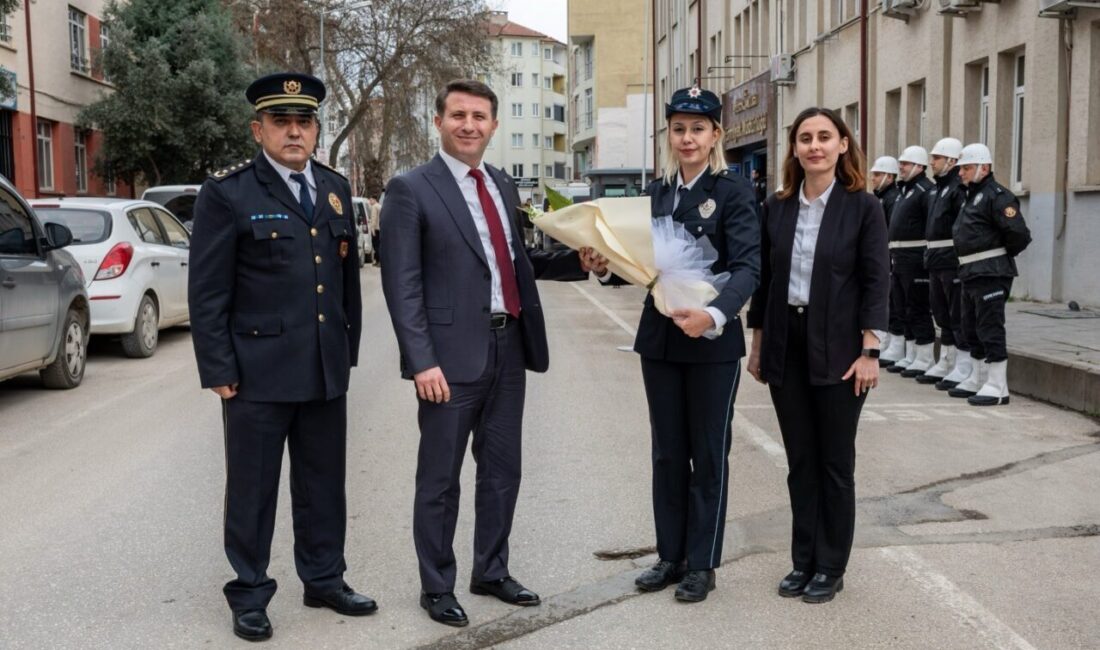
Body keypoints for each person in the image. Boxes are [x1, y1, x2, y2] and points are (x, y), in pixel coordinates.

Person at [379, 79, 603, 628]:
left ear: (494, 126)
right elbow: (401, 283)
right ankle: (437, 587)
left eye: (480, 116)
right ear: (439, 121)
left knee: (502, 471)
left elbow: (518, 262)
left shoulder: (500, 185)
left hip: (509, 348)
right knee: (440, 479)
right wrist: (421, 360)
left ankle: (492, 570)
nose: (469, 125)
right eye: (458, 115)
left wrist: (583, 262)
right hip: (449, 360)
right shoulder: (410, 189)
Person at [188, 72, 375, 642]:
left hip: (322, 369)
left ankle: (324, 579)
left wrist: (346, 356)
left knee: (324, 485)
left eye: (304, 122)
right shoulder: (228, 193)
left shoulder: (335, 187)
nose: (294, 132)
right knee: (253, 489)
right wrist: (219, 370)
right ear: (258, 128)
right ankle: (249, 593)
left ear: (317, 129)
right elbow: (209, 291)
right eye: (281, 122)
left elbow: (346, 286)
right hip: (256, 376)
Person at [598, 85, 760, 603]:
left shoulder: (733, 191)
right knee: (668, 453)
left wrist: (713, 313)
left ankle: (702, 563)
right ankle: (670, 555)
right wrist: (606, 267)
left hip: (712, 343)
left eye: (698, 128)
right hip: (662, 342)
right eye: (678, 128)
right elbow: (640, 265)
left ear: (716, 135)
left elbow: (749, 266)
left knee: (708, 454)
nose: (687, 138)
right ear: (668, 133)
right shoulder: (659, 192)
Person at [746, 107, 889, 604]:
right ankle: (802, 560)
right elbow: (764, 281)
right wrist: (758, 343)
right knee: (800, 462)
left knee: (834, 463)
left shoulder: (863, 206)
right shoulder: (778, 207)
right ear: (794, 149)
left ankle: (831, 565)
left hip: (842, 348)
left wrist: (871, 349)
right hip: (788, 341)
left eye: (825, 137)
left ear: (843, 145)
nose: (814, 146)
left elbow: (876, 280)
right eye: (805, 138)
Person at [948, 143, 1031, 405]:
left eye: (966, 168)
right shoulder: (971, 195)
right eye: (960, 168)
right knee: (970, 327)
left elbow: (1018, 234)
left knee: (990, 327)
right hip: (971, 272)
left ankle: (997, 386)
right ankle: (978, 377)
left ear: (984, 167)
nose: (960, 173)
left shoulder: (998, 196)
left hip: (991, 273)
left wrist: (996, 258)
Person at [918, 138, 970, 388]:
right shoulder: (938, 189)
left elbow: (962, 227)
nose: (931, 163)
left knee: (956, 313)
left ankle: (963, 363)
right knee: (941, 313)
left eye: (936, 158)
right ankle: (947, 360)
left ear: (951, 161)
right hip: (936, 260)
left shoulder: (958, 188)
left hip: (951, 261)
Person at [885, 146, 936, 378]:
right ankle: (911, 352)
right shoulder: (906, 191)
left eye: (905, 163)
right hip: (900, 258)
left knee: (917, 308)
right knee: (902, 306)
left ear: (918, 165)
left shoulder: (925, 191)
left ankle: (924, 356)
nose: (901, 168)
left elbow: (930, 226)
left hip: (916, 259)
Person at [869, 156, 902, 367]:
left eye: (878, 175)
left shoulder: (893, 198)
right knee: (893, 302)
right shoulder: (880, 198)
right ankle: (890, 341)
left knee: (902, 305)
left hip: (897, 257)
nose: (873, 178)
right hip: (891, 256)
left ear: (889, 177)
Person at [368, 196, 381, 267]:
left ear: (374, 200)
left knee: (376, 245)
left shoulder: (374, 207)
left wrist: (372, 230)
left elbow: (374, 218)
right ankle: (377, 260)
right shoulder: (380, 206)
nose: (369, 202)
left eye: (370, 200)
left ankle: (379, 261)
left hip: (376, 229)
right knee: (379, 245)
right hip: (380, 228)